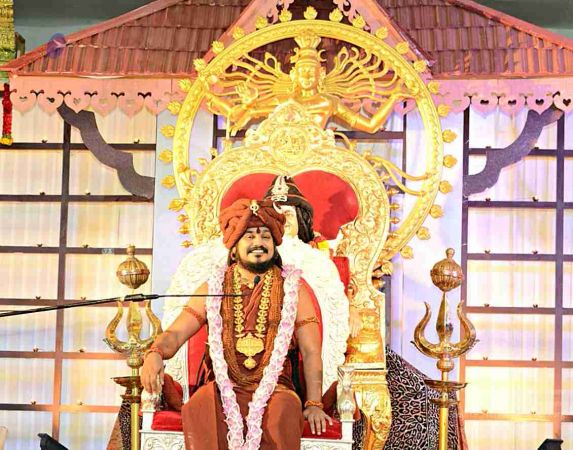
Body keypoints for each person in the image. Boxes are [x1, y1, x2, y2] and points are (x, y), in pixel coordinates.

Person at [141, 198, 332, 450]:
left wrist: (314, 403)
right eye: (249, 236)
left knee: (282, 413)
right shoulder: (213, 287)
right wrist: (155, 352)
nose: (258, 243)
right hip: (222, 389)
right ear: (234, 248)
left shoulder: (294, 289)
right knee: (201, 405)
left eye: (265, 237)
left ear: (274, 246)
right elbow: (176, 333)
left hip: (277, 390)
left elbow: (310, 351)